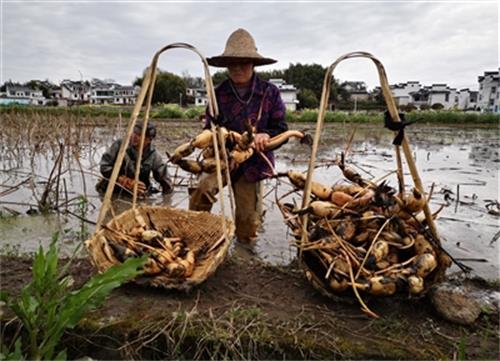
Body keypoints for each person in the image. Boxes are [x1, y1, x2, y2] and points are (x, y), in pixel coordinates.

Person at [189, 28, 287, 244]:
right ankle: (196, 235)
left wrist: (265, 135)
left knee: (247, 222)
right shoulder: (219, 93)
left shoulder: (270, 92)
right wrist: (218, 147)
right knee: (202, 189)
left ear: (253, 65)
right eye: (232, 63)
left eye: (243, 63)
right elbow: (209, 127)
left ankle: (244, 250)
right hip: (222, 159)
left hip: (252, 163)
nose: (237, 68)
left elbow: (281, 129)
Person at [97, 121, 173, 196]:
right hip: (113, 190)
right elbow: (104, 167)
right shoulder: (120, 145)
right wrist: (125, 181)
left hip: (137, 193)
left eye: (140, 135)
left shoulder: (153, 155)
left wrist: (166, 200)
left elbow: (166, 182)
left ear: (149, 140)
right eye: (134, 132)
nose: (134, 136)